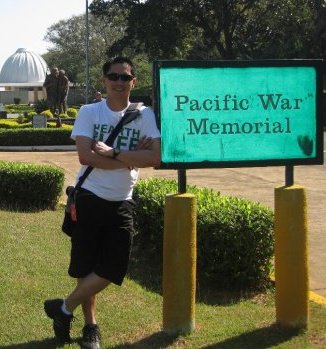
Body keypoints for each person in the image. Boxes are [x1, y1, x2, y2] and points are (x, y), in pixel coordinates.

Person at [43, 57, 161, 349]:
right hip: (89, 197)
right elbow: (86, 157)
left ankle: (63, 308)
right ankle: (90, 327)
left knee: (113, 268)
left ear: (134, 81)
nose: (119, 82)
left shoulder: (144, 115)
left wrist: (112, 152)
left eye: (125, 77)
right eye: (114, 76)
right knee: (88, 265)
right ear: (104, 81)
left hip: (123, 200)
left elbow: (155, 158)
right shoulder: (89, 111)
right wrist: (130, 158)